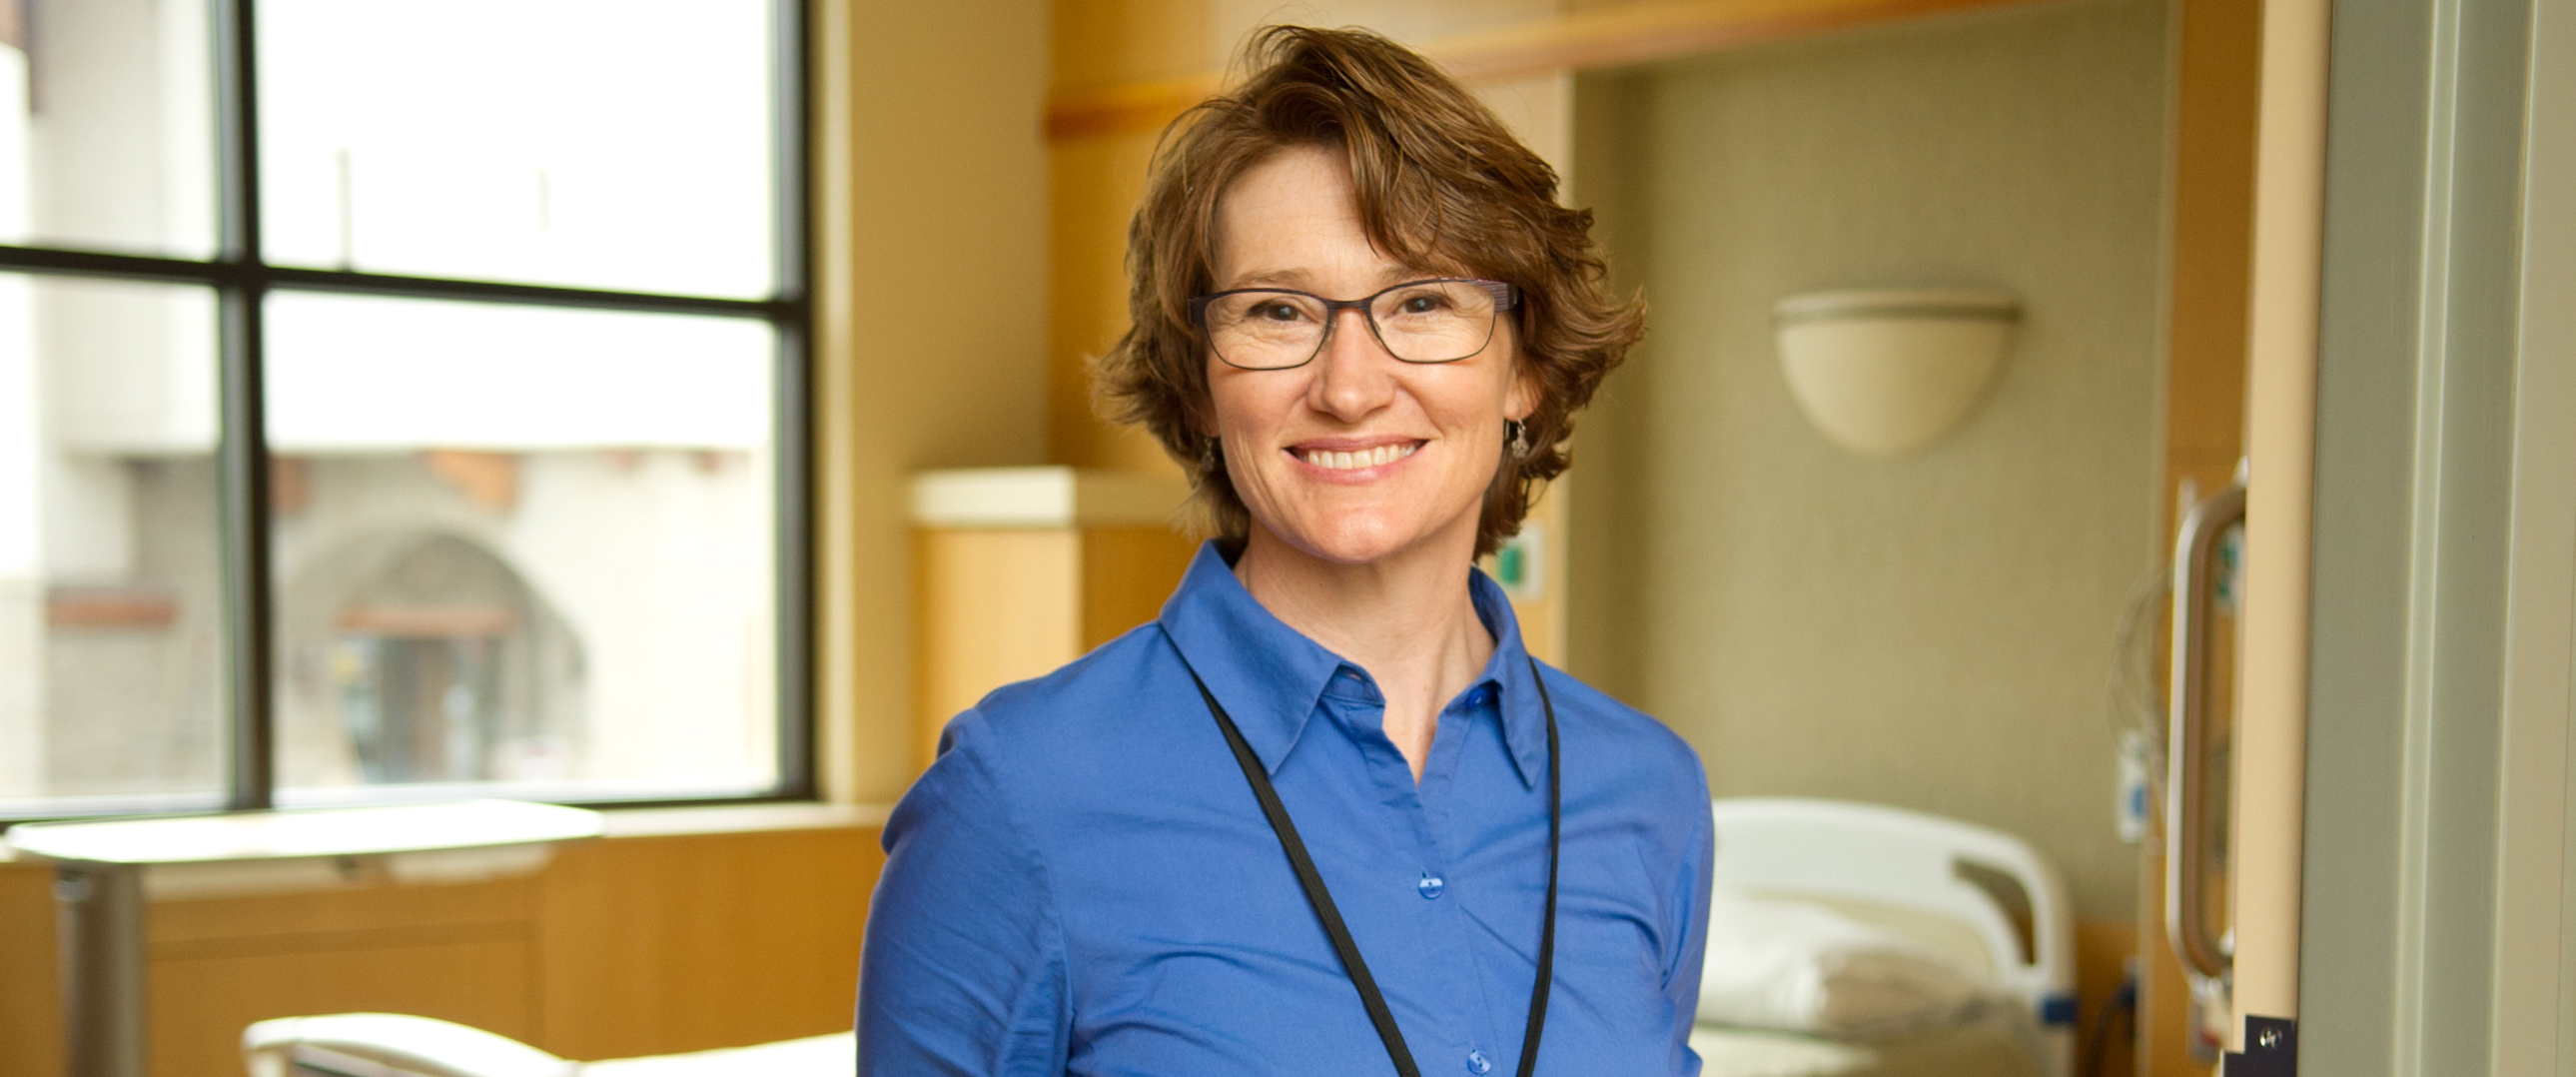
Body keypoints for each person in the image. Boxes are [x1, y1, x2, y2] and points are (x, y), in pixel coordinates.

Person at [858, 25, 1711, 1077]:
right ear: (1199, 381)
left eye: (1422, 302)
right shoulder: (1016, 799)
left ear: (1525, 369)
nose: (1349, 386)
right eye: (1276, 310)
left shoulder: (1646, 793)